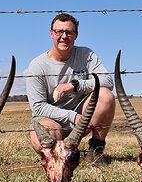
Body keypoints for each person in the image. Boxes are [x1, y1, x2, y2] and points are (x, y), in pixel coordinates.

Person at [26, 13, 115, 166]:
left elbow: (107, 80)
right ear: (51, 33)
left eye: (69, 32)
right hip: (54, 122)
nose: (64, 36)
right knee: (42, 137)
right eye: (59, 32)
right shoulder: (37, 65)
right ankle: (58, 157)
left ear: (76, 35)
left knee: (106, 95)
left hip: (82, 121)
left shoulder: (86, 54)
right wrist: (72, 116)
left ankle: (96, 151)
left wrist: (76, 85)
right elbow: (38, 107)